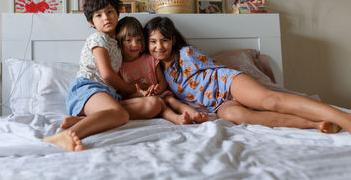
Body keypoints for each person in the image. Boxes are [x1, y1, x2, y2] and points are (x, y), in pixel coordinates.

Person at [143, 16, 349, 134]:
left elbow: (216, 68)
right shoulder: (159, 72)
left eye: (164, 40)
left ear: (172, 40)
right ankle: (315, 123)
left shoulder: (185, 54)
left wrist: (243, 86)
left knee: (272, 101)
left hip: (227, 84)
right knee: (239, 117)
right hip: (219, 105)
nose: (159, 46)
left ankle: (344, 117)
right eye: (153, 41)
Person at [43, 0, 162, 151]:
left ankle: (83, 120)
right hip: (88, 89)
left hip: (108, 94)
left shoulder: (116, 44)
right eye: (98, 15)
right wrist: (132, 88)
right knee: (120, 114)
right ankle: (66, 134)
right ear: (91, 22)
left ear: (118, 13)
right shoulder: (98, 38)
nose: (106, 17)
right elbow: (106, 74)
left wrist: (140, 90)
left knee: (153, 105)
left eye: (110, 12)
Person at [115, 16, 209, 125]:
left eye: (139, 39)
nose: (135, 44)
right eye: (128, 40)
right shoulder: (120, 67)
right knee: (160, 103)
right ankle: (177, 119)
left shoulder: (150, 59)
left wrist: (158, 88)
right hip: (141, 100)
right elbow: (124, 95)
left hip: (159, 94)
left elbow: (163, 82)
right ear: (120, 41)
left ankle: (194, 114)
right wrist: (140, 94)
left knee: (171, 100)